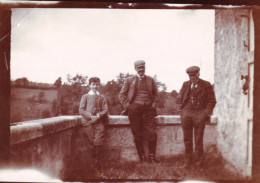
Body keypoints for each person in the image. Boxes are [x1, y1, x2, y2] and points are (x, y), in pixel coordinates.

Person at [176, 66, 216, 170]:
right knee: (187, 140)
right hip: (187, 114)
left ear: (198, 74)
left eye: (194, 75)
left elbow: (212, 101)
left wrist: (205, 113)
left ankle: (199, 164)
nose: (192, 78)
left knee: (198, 140)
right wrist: (182, 110)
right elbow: (179, 97)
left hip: (199, 114)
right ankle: (187, 163)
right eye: (190, 76)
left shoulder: (206, 85)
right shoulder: (185, 84)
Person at [119, 60, 158, 163]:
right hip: (134, 110)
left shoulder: (150, 80)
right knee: (137, 134)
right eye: (139, 68)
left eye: (142, 67)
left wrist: (153, 105)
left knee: (152, 133)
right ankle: (142, 158)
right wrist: (128, 106)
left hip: (148, 110)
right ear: (135, 69)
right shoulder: (129, 80)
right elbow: (122, 95)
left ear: (145, 68)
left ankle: (152, 158)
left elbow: (156, 95)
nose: (141, 69)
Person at [79, 77, 108, 172]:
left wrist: (99, 115)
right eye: (93, 84)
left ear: (99, 85)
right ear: (89, 85)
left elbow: (105, 109)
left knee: (98, 143)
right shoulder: (85, 96)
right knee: (90, 144)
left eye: (96, 85)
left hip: (99, 122)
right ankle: (89, 167)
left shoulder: (101, 97)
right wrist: (90, 116)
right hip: (88, 122)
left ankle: (98, 165)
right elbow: (81, 109)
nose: (95, 86)